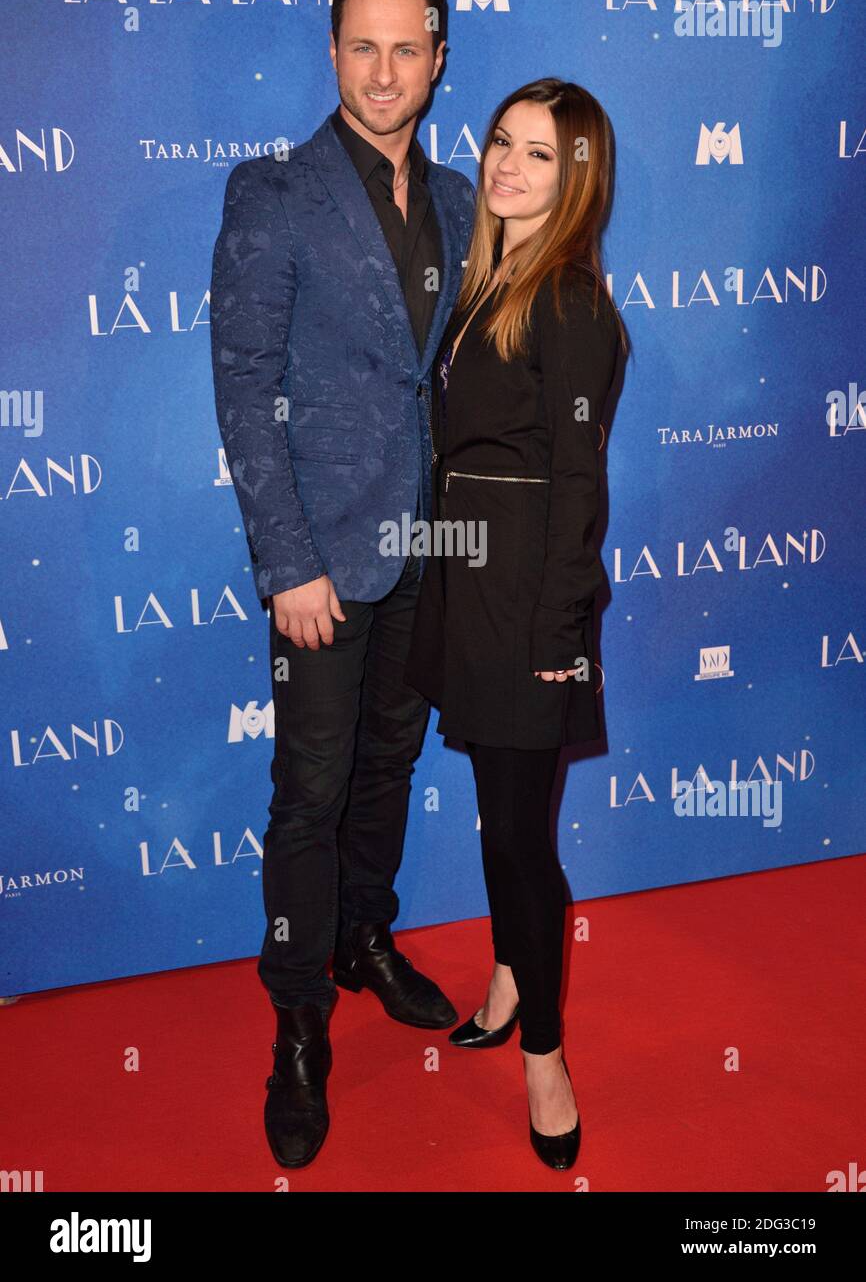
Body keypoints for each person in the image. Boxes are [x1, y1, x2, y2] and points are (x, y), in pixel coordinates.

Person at [209, 0, 476, 1169]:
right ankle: (297, 1023)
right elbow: (244, 384)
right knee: (307, 796)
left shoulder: (470, 199)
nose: (382, 72)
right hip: (319, 560)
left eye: (404, 48)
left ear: (435, 57)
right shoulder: (271, 193)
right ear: (331, 52)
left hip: (429, 546)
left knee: (386, 766)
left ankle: (366, 937)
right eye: (360, 47)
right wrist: (285, 561)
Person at [403, 77, 628, 1170]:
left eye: (539, 154)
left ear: (575, 176)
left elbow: (578, 484)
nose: (507, 166)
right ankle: (502, 975)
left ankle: (544, 1056)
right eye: (500, 142)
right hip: (469, 585)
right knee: (498, 820)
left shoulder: (570, 302)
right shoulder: (489, 280)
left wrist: (555, 639)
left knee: (517, 841)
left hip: (528, 606)